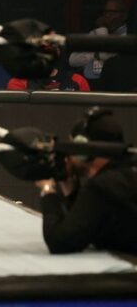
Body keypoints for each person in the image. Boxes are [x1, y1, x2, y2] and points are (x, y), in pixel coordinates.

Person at [34, 108, 137, 254]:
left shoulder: (102, 186)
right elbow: (88, 226)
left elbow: (60, 242)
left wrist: (48, 190)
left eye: (74, 147)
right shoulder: (123, 173)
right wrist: (72, 193)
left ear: (83, 150)